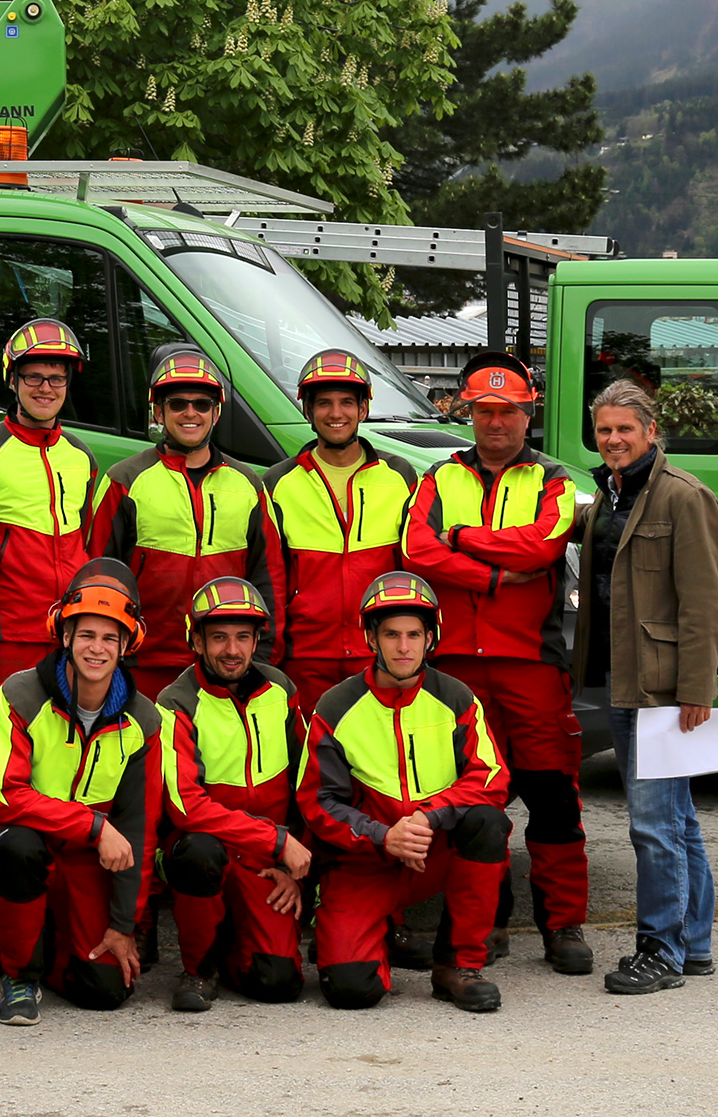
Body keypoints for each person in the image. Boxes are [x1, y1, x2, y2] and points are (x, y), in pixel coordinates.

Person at [400, 349, 590, 973]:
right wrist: (488, 576)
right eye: (484, 411)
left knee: (553, 799)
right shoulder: (436, 478)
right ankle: (489, 922)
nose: (496, 423)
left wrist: (461, 539)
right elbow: (414, 548)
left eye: (509, 412)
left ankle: (563, 927)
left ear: (528, 415)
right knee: (475, 804)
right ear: (468, 414)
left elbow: (542, 546)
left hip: (530, 665)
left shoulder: (555, 480)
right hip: (453, 668)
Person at [0, 319, 106, 947]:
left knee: (59, 789)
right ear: (12, 381)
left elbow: (90, 552)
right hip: (1, 649)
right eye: (35, 377)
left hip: (67, 656)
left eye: (57, 378)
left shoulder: (82, 458)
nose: (46, 387)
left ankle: (50, 935)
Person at [574, 378, 718, 996]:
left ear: (650, 432)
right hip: (621, 675)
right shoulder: (607, 496)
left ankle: (660, 951)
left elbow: (704, 602)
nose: (613, 439)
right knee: (678, 819)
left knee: (652, 824)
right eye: (605, 429)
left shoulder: (684, 497)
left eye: (624, 430)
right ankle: (695, 945)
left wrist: (697, 689)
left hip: (666, 689)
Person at [299, 572, 511, 1013]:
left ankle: (457, 965)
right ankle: (365, 936)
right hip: (365, 862)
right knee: (351, 990)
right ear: (371, 638)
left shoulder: (456, 698)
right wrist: (383, 835)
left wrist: (427, 818)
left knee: (489, 823)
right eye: (391, 634)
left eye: (414, 634)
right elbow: (317, 801)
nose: (403, 647)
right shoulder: (336, 706)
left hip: (433, 850)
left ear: (430, 638)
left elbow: (490, 778)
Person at [0, 560, 158, 1024]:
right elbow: (5, 794)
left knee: (105, 992)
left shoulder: (144, 720)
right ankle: (19, 974)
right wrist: (94, 825)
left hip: (85, 858)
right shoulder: (19, 695)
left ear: (126, 646)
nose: (96, 649)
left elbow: (139, 830)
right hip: (30, 837)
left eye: (109, 638)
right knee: (17, 847)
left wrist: (123, 926)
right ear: (63, 637)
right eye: (86, 635)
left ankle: (55, 943)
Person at [155, 578, 311, 1010]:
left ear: (258, 639)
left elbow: (311, 787)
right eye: (219, 637)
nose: (232, 650)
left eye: (243, 636)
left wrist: (295, 868)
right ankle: (198, 970)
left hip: (266, 864)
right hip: (211, 851)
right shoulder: (175, 703)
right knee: (197, 851)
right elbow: (186, 806)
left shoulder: (281, 691)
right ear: (197, 641)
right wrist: (277, 841)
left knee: (278, 984)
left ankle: (232, 944)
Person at [96, 346, 281, 698]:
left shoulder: (247, 484)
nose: (190, 412)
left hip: (224, 664)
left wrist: (262, 655)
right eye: (177, 403)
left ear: (217, 411)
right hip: (144, 662)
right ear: (158, 411)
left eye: (202, 404)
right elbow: (101, 575)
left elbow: (269, 578)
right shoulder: (125, 479)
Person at [264, 350, 419, 714]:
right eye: (324, 404)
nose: (336, 414)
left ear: (363, 409)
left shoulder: (401, 477)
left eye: (347, 402)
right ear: (308, 411)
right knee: (310, 762)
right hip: (304, 658)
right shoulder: (275, 483)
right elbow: (269, 578)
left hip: (381, 657)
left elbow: (415, 570)